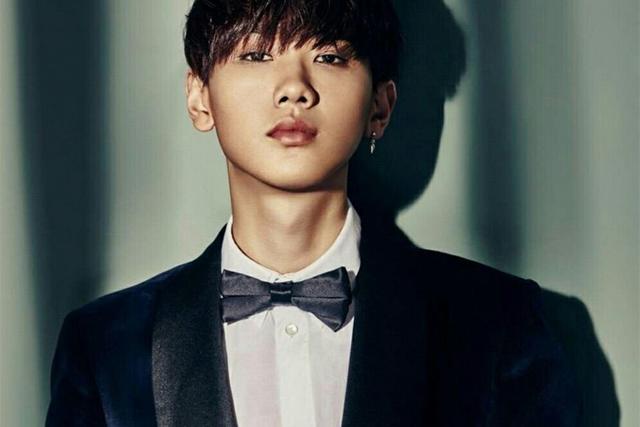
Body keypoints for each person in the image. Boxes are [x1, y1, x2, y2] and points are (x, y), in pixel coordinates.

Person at [46, 0, 579, 426]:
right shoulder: (104, 347)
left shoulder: (498, 326)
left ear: (380, 106)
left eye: (329, 56)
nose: (294, 90)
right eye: (257, 55)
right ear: (199, 97)